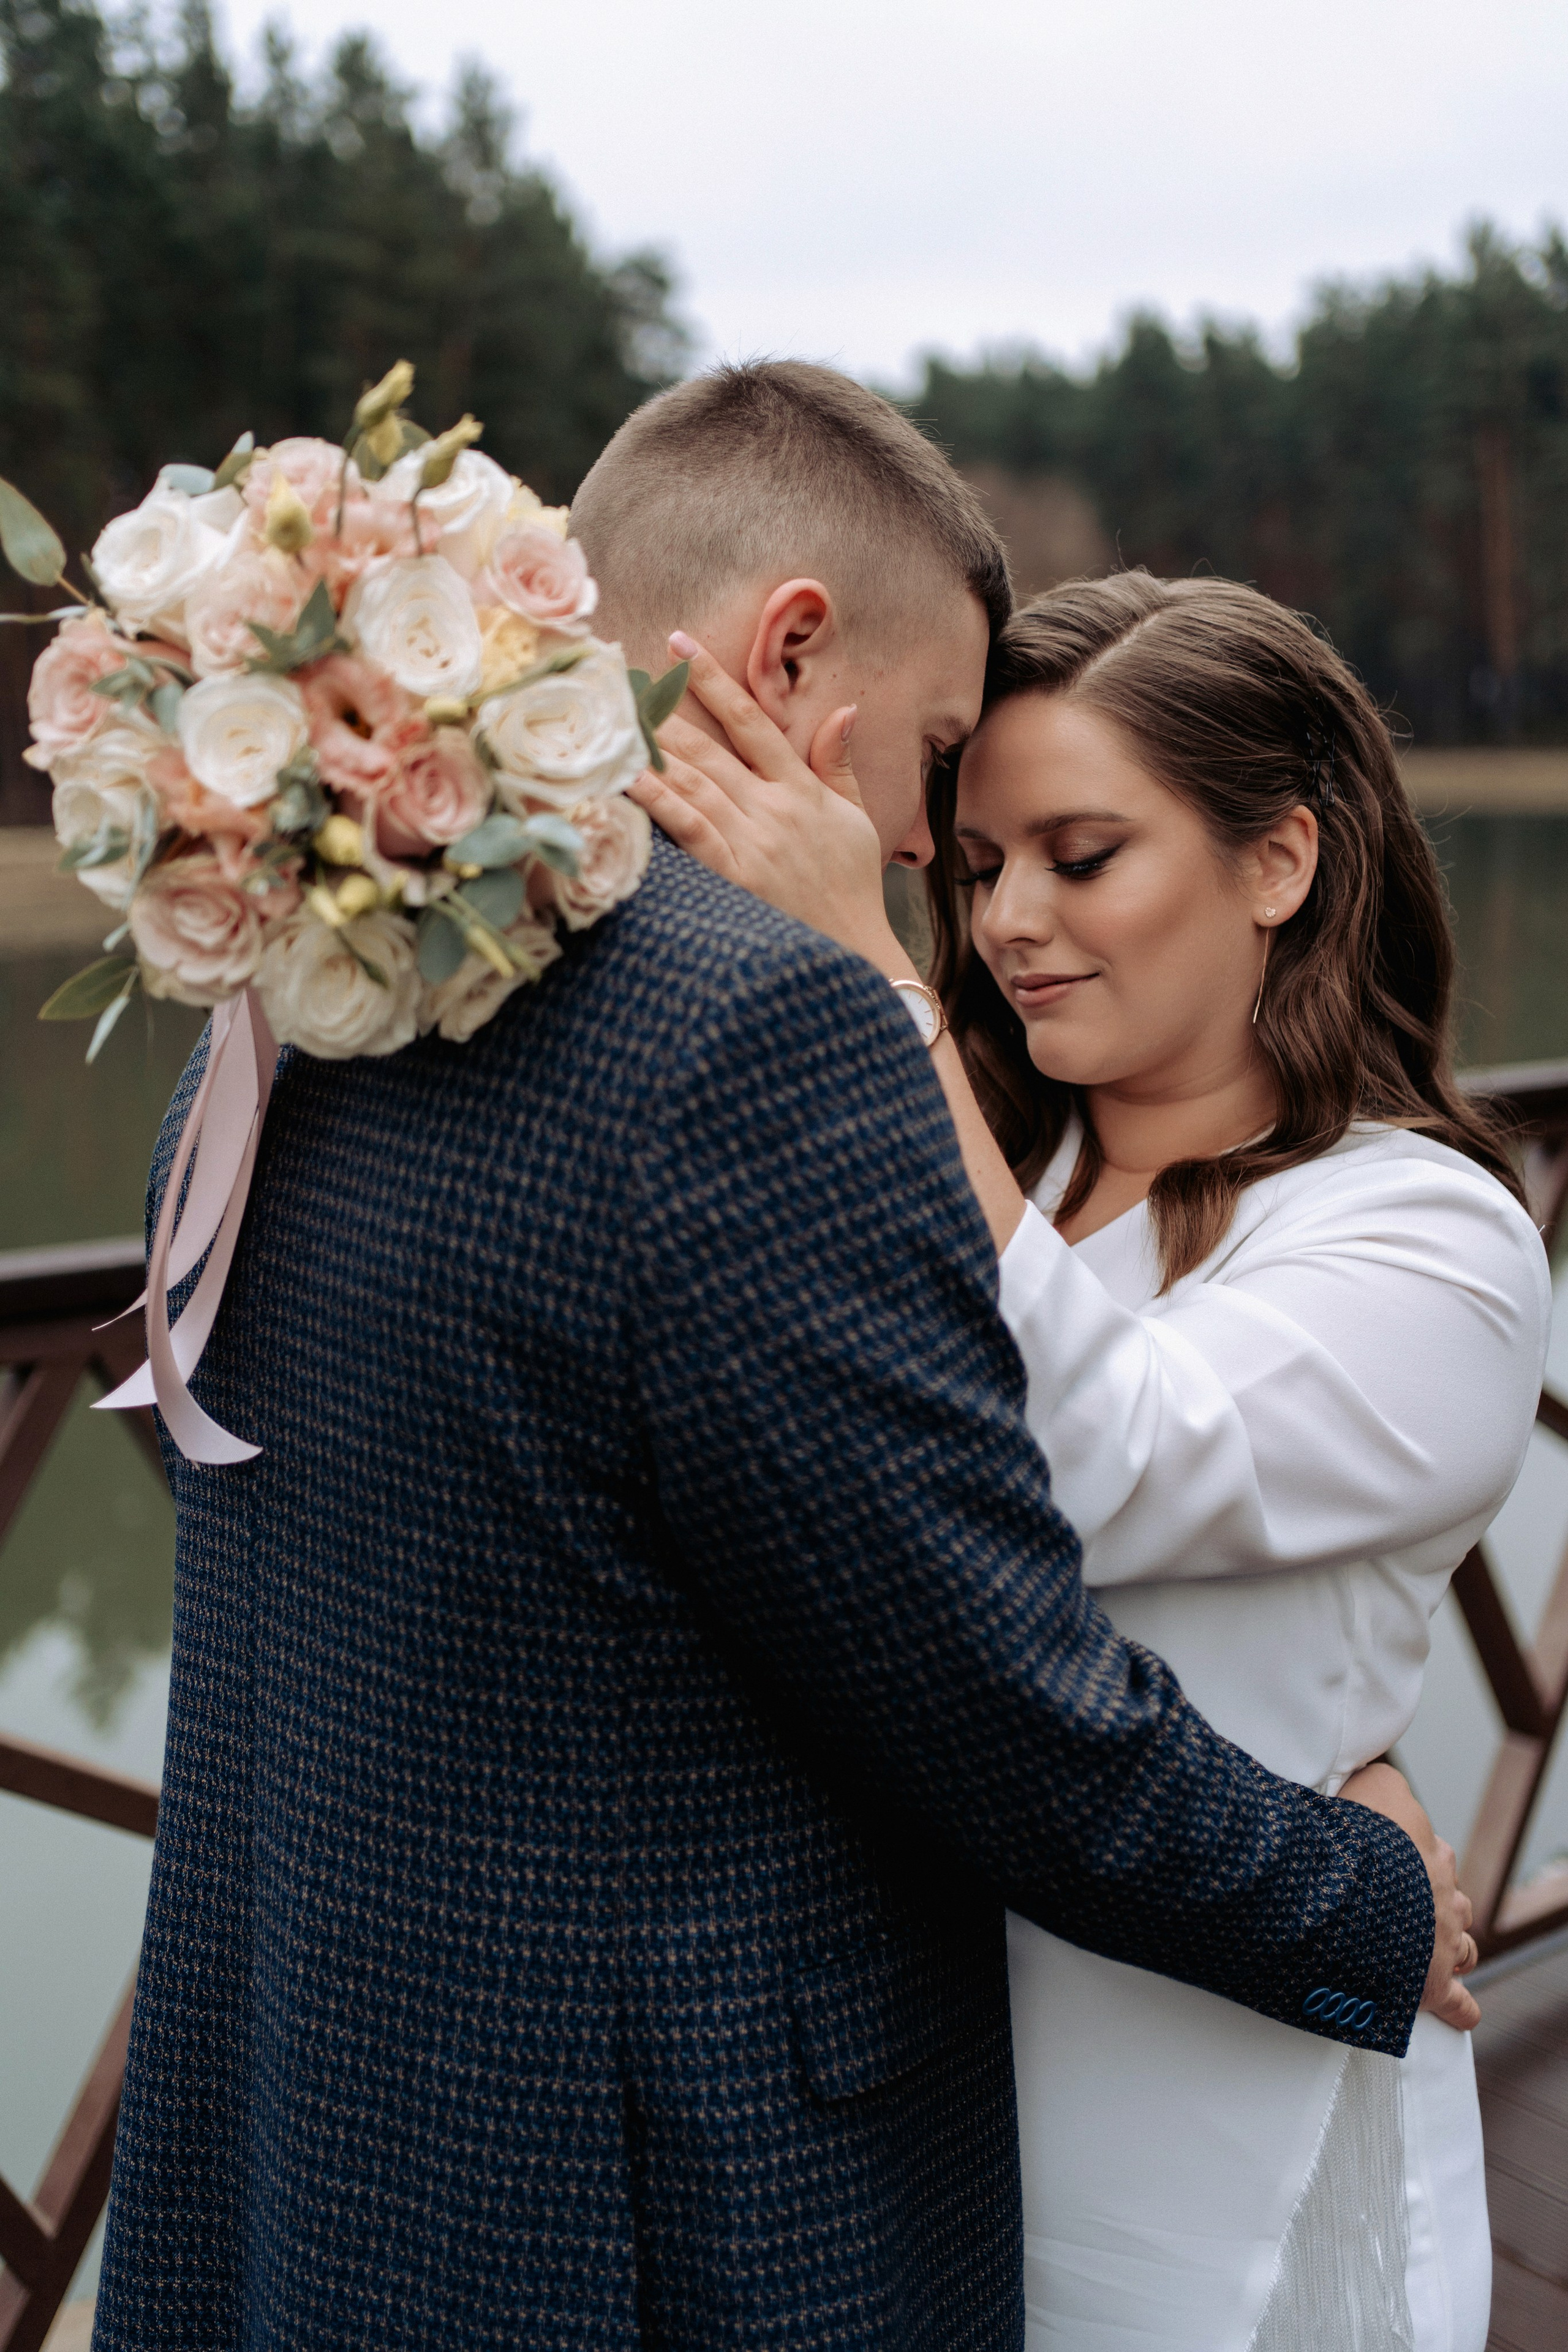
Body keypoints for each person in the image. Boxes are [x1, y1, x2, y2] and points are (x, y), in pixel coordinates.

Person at [97, 370, 1472, 2352]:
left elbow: (212, 1427)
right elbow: (987, 1687)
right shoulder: (767, 1033)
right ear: (792, 648)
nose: (931, 854)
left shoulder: (306, 973)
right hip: (659, 2195)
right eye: (934, 764)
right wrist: (1353, 1893)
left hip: (316, 2105)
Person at [631, 561, 1550, 2351]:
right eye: (974, 872)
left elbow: (1089, 1453)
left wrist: (874, 994)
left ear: (1278, 862)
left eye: (1081, 854)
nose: (1009, 924)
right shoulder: (1018, 1173)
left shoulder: (1430, 1235)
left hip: (1212, 2121)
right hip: (913, 2121)